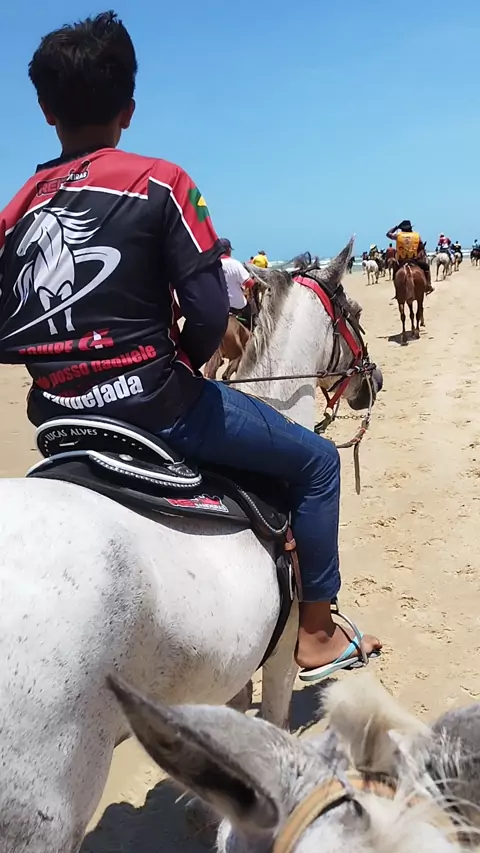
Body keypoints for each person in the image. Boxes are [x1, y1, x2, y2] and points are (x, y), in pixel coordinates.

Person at [0, 11, 381, 680]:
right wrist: (179, 355)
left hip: (56, 419)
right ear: (129, 109)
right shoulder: (162, 182)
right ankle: (319, 633)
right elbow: (207, 312)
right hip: (158, 406)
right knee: (319, 462)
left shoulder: (17, 208)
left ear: (45, 110)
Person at [386, 219, 434, 294]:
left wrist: (396, 227)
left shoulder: (398, 236)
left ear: (402, 229)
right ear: (410, 228)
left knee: (395, 273)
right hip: (414, 260)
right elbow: (421, 247)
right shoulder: (417, 236)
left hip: (401, 261)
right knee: (426, 267)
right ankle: (428, 285)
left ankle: (397, 291)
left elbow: (388, 234)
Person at [220, 238, 256, 328]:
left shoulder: (211, 265)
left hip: (218, 306)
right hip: (236, 305)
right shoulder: (235, 264)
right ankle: (251, 330)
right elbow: (249, 283)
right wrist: (253, 281)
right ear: (229, 250)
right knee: (251, 312)